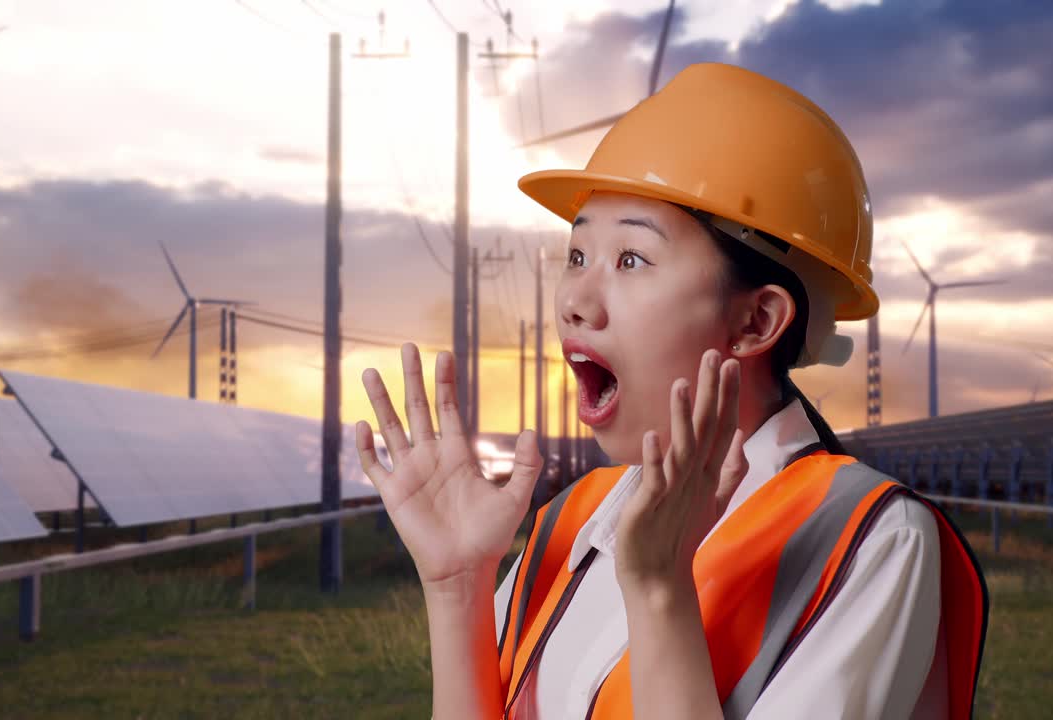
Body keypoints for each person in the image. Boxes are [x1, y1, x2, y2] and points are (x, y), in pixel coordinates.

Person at [356, 63, 988, 720]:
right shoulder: (571, 521)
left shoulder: (871, 539)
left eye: (631, 259)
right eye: (578, 256)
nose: (574, 299)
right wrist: (458, 587)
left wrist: (660, 591)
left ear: (755, 321)